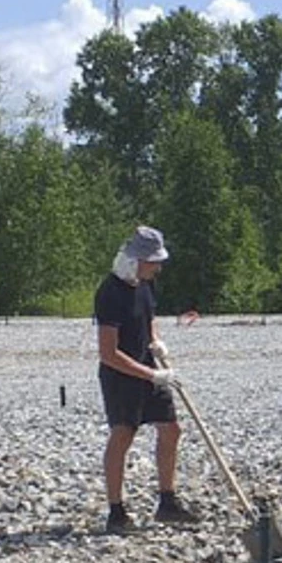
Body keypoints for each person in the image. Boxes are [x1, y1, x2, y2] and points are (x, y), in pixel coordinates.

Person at [93, 225, 192, 533]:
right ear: (136, 260)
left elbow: (148, 321)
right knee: (123, 434)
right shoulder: (110, 293)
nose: (158, 268)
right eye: (154, 262)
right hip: (121, 374)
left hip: (150, 368)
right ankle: (116, 512)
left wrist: (157, 342)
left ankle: (167, 502)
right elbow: (108, 353)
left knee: (172, 429)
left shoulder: (145, 285)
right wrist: (152, 374)